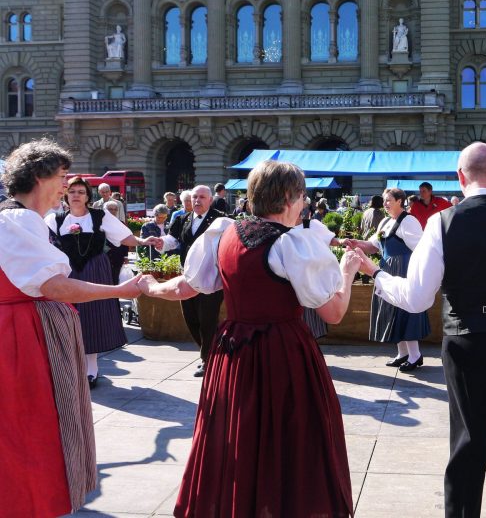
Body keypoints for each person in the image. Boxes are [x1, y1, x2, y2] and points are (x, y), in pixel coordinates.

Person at [352, 142, 486, 517]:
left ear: (459, 177)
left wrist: (377, 274)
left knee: (467, 446)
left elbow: (417, 297)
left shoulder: (442, 222)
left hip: (467, 344)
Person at [138, 160, 360, 517]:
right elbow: (332, 312)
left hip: (232, 353)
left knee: (235, 437)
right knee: (287, 440)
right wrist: (347, 273)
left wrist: (150, 286)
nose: (303, 203)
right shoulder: (291, 244)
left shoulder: (223, 233)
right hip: (281, 353)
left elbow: (187, 286)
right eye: (301, 196)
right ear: (288, 198)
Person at [0, 139, 142, 517]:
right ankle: (27, 503)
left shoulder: (16, 219)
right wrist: (120, 289)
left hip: (24, 331)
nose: (65, 185)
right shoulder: (17, 220)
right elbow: (55, 286)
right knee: (32, 426)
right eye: (62, 176)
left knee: (26, 427)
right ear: (39, 176)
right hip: (21, 339)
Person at [46, 176, 156, 388]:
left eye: (81, 192)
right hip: (66, 271)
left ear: (88, 196)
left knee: (92, 314)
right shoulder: (55, 219)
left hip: (94, 269)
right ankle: (71, 367)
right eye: (72, 192)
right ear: (66, 195)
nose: (76, 195)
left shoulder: (100, 216)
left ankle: (91, 369)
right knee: (67, 315)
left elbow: (124, 236)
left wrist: (142, 241)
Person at [345, 188, 429, 371]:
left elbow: (422, 249)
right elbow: (373, 246)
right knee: (391, 310)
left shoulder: (409, 221)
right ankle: (402, 353)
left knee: (405, 310)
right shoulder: (385, 221)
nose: (385, 203)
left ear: (400, 201)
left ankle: (415, 355)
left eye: (388, 200)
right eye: (384, 200)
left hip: (403, 270)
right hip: (387, 269)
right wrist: (355, 243)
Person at [154, 185, 227, 377]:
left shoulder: (221, 219)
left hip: (211, 278)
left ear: (210, 200)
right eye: (194, 197)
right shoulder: (182, 218)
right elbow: (174, 239)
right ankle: (210, 353)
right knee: (191, 318)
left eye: (202, 197)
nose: (197, 200)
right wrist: (162, 243)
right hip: (188, 276)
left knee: (207, 319)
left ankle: (208, 360)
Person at [103, 198, 130, 283]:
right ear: (105, 210)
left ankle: (115, 296)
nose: (113, 211)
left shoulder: (121, 223)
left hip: (117, 256)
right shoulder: (99, 223)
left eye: (115, 209)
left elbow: (126, 240)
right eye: (110, 209)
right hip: (103, 257)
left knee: (115, 279)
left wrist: (126, 256)